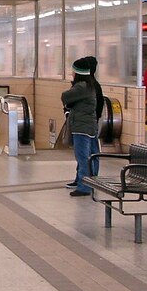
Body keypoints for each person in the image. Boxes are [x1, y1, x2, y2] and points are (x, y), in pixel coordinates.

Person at [61, 58, 100, 197]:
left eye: (73, 70)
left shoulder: (82, 86)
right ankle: (85, 181)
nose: (71, 73)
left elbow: (65, 96)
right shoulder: (89, 85)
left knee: (82, 156)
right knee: (90, 155)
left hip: (82, 127)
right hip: (89, 125)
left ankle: (84, 187)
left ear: (78, 72)